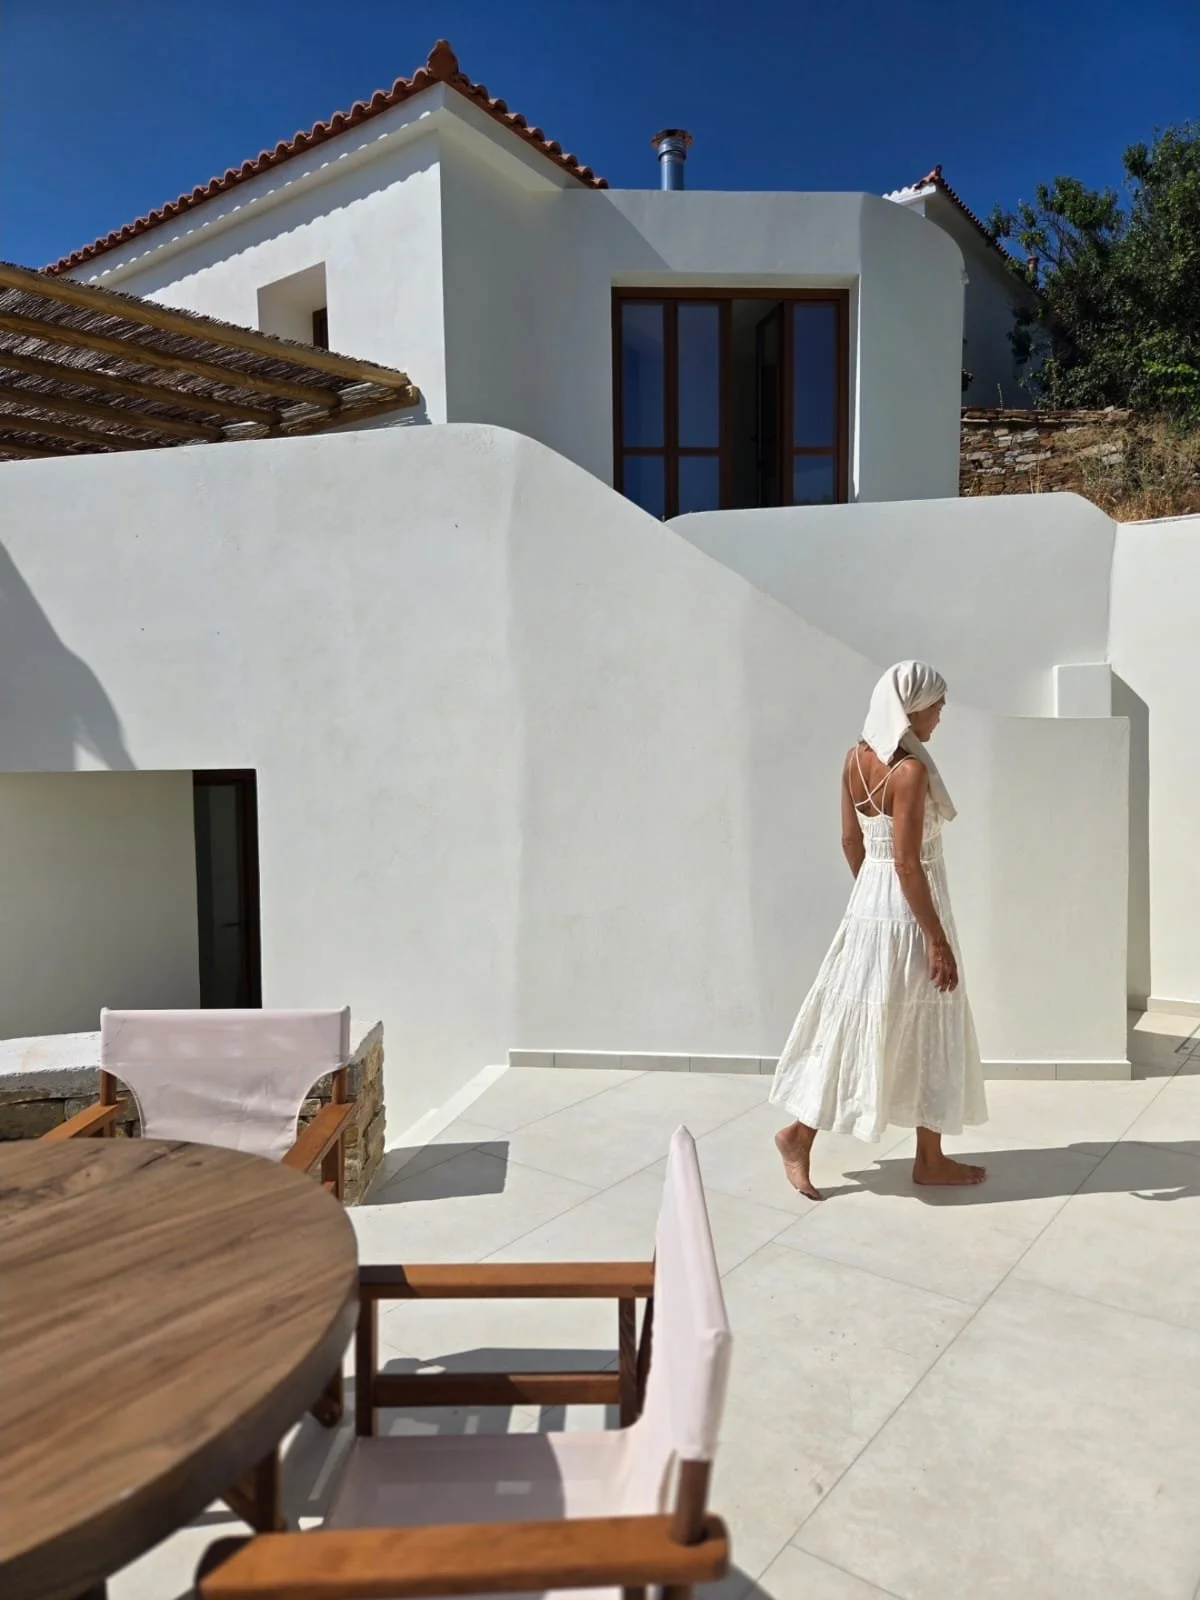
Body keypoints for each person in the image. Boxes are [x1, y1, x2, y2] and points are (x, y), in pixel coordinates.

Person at [771, 661, 988, 1199]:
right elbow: (909, 864)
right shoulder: (909, 771)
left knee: (863, 1022)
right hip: (912, 912)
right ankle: (801, 1137)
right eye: (936, 703)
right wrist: (936, 939)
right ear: (911, 706)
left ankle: (925, 1156)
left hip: (871, 906)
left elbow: (852, 843)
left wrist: (871, 898)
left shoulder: (853, 759)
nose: (941, 712)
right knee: (927, 1017)